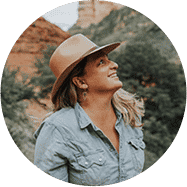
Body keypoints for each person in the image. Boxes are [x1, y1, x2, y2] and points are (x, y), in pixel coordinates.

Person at [34, 34, 145, 186]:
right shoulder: (57, 130)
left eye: (108, 59)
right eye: (101, 62)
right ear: (80, 82)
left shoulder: (130, 117)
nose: (114, 64)